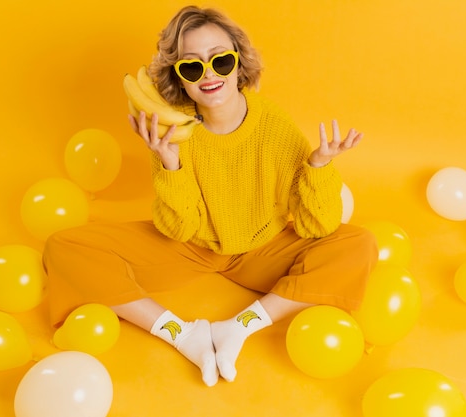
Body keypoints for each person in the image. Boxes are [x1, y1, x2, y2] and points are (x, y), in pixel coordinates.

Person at [43, 5, 378, 387]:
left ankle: (239, 326)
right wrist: (170, 165)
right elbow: (179, 229)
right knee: (63, 247)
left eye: (220, 60)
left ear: (239, 63)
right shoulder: (174, 129)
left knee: (360, 244)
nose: (209, 74)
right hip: (192, 248)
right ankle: (183, 335)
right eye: (191, 66)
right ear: (179, 78)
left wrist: (318, 166)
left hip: (261, 247)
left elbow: (316, 224)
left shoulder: (273, 123)